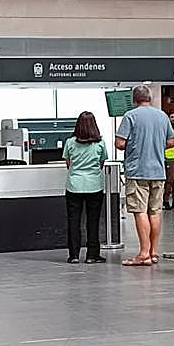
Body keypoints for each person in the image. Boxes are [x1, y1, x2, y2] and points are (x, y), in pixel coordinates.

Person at [116, 85, 174, 267]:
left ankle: (143, 253)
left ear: (134, 99)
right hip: (158, 170)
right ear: (149, 98)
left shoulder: (130, 116)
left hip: (137, 171)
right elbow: (170, 141)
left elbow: (120, 143)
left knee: (140, 210)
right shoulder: (162, 116)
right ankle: (153, 252)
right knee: (155, 211)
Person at [63, 111, 109, 264]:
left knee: (73, 221)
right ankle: (92, 255)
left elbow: (68, 164)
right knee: (93, 221)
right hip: (94, 186)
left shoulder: (70, 142)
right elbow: (101, 164)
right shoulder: (100, 144)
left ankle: (74, 255)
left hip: (74, 186)